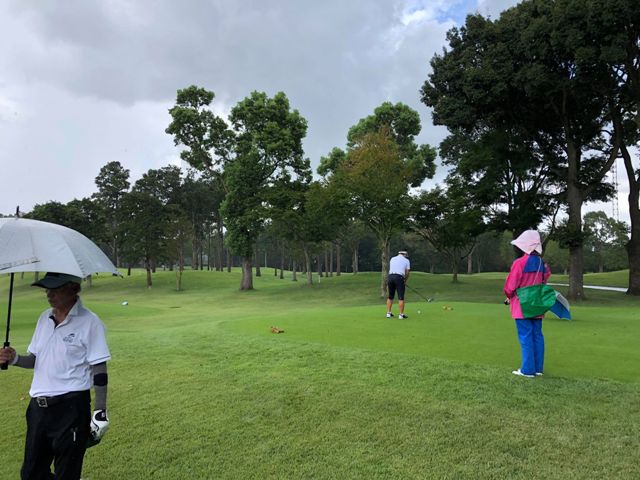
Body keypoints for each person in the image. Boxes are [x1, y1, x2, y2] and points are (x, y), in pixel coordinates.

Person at [0, 272, 111, 480]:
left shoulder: (90, 322)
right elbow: (35, 360)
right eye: (47, 289)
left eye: (56, 289)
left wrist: (100, 410)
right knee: (31, 474)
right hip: (38, 410)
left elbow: (99, 368)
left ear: (74, 289)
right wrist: (14, 359)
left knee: (67, 473)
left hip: (71, 408)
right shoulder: (44, 318)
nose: (49, 294)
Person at [503, 230, 551, 378]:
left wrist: (509, 296)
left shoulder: (519, 263)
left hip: (521, 305)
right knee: (537, 335)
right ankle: (537, 368)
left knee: (525, 336)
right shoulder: (542, 264)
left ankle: (528, 370)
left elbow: (511, 286)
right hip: (537, 304)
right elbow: (544, 280)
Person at [386, 250, 411, 319]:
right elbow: (407, 272)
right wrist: (405, 280)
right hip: (399, 277)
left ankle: (388, 313)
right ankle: (401, 315)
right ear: (404, 254)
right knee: (401, 297)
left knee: (390, 296)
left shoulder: (392, 258)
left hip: (390, 277)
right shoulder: (406, 260)